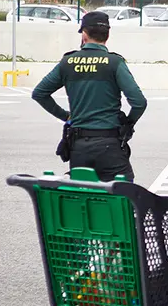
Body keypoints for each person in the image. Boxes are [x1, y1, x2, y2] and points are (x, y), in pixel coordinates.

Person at [32, 11, 147, 182]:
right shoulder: (114, 63)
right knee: (123, 192)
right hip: (110, 144)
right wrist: (128, 123)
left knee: (82, 193)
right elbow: (139, 102)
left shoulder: (68, 62)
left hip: (79, 146)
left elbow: (39, 93)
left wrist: (67, 116)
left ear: (84, 35)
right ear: (107, 36)